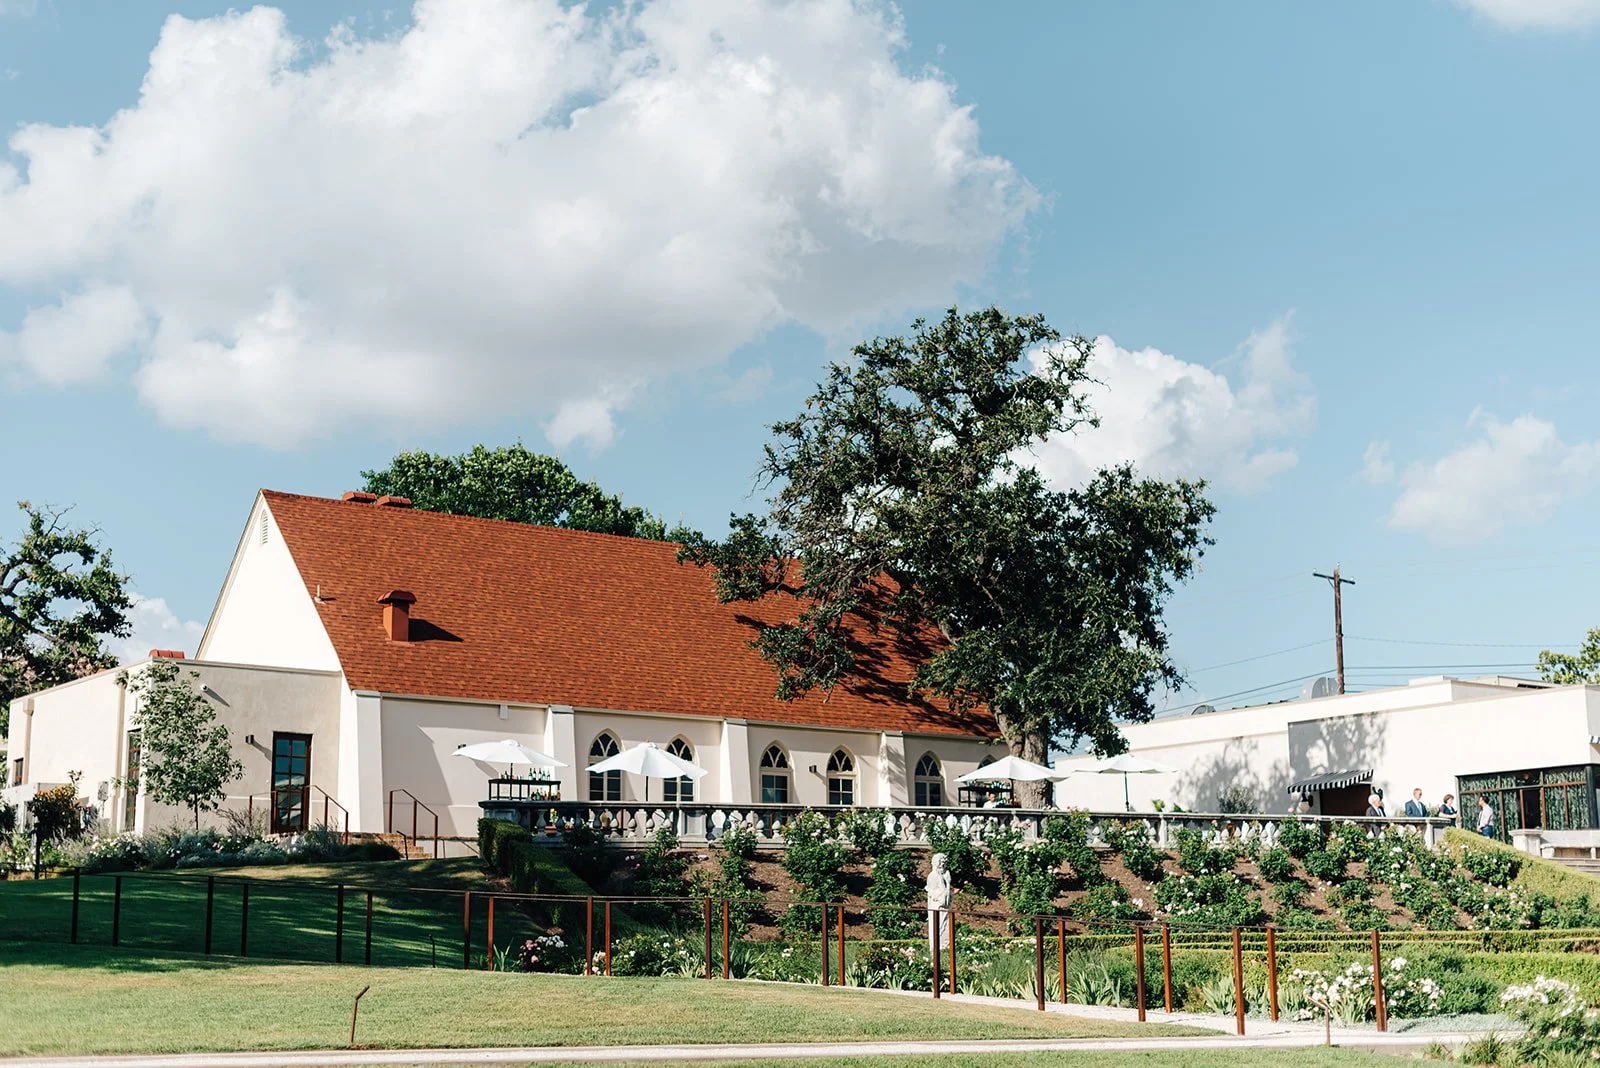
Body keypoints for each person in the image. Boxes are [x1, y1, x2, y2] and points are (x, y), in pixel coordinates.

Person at [925, 851, 953, 954]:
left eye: (944, 862)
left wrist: (948, 882)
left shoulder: (944, 877)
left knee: (945, 935)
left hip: (944, 910)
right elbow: (943, 898)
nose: (943, 864)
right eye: (940, 862)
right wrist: (948, 883)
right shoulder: (933, 876)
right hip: (938, 910)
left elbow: (947, 899)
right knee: (938, 933)